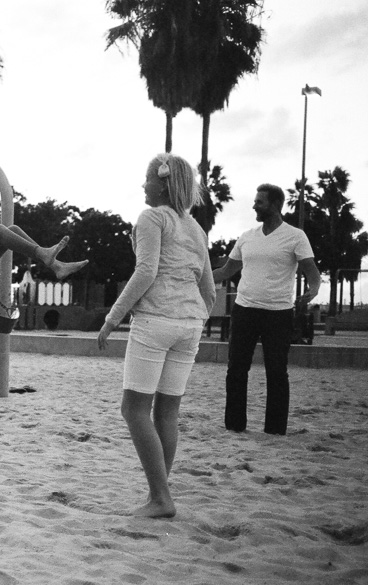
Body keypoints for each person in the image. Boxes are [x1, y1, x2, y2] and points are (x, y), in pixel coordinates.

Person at [97, 154, 216, 518]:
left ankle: (160, 498)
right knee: (168, 412)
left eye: (147, 179)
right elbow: (208, 289)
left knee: (133, 409)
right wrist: (194, 319)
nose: (143, 185)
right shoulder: (196, 228)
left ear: (162, 184)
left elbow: (146, 271)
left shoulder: (151, 218)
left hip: (155, 321)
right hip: (190, 324)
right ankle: (160, 493)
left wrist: (112, 318)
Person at [211, 183, 320, 435]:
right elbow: (227, 270)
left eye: (259, 202)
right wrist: (198, 277)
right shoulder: (247, 236)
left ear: (274, 205)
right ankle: (235, 426)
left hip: (278, 313)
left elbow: (312, 272)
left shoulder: (295, 236)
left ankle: (274, 429)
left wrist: (313, 290)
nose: (254, 206)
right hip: (244, 310)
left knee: (277, 371)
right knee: (236, 369)